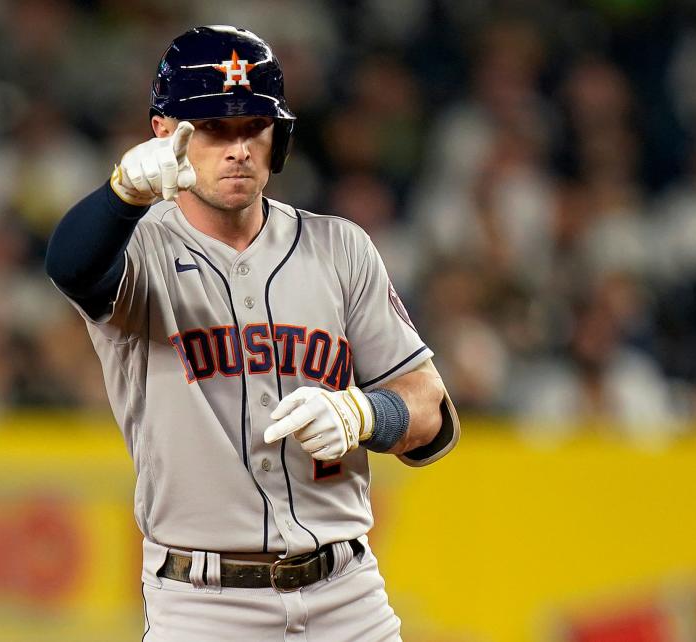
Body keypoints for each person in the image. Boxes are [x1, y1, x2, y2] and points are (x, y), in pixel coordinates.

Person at [44, 25, 459, 641]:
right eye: (212, 129)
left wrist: (364, 413)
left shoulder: (338, 247)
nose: (236, 148)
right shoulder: (140, 250)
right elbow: (71, 266)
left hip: (348, 597)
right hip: (204, 607)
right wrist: (122, 193)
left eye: (251, 128)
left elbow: (433, 415)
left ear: (278, 137)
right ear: (167, 135)